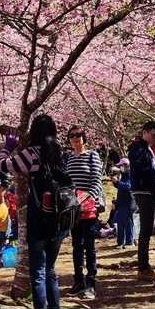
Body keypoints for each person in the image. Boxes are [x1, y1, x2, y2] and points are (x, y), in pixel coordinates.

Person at [0, 113, 70, 309]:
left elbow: (2, 166)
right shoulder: (58, 152)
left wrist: (7, 148)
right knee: (50, 270)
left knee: (38, 272)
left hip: (39, 217)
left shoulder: (31, 154)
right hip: (59, 217)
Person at [63, 124, 105, 299]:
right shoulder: (68, 158)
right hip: (73, 206)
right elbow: (65, 180)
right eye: (71, 135)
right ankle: (78, 281)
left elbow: (97, 180)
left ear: (84, 137)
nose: (75, 138)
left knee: (89, 244)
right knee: (76, 245)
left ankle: (91, 283)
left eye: (78, 135)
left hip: (88, 206)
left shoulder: (92, 156)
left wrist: (87, 196)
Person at [127, 119, 155, 281]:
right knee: (146, 229)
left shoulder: (148, 148)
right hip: (143, 191)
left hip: (151, 191)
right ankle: (143, 267)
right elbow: (137, 169)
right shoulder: (137, 147)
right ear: (145, 132)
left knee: (148, 229)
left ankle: (145, 266)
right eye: (153, 135)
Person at [110, 158, 135, 249]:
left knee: (128, 223)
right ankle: (120, 242)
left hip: (128, 202)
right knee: (120, 223)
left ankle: (129, 242)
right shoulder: (124, 175)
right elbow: (120, 186)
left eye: (121, 165)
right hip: (121, 202)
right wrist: (115, 182)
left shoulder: (130, 174)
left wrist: (117, 181)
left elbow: (128, 186)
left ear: (126, 165)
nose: (120, 167)